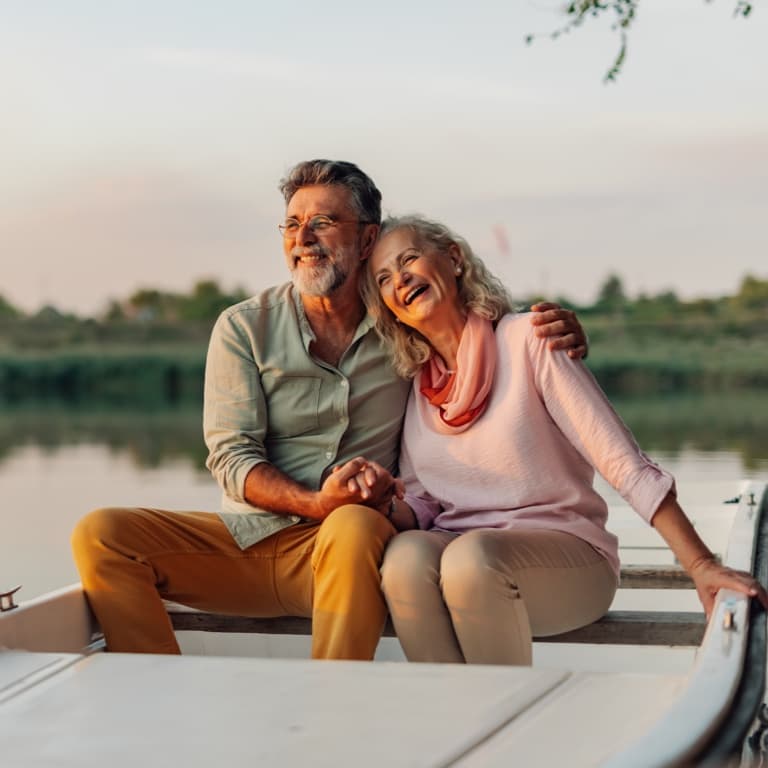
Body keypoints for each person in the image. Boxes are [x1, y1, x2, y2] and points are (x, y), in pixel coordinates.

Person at [71, 160, 588, 659]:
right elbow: (231, 458)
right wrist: (315, 502)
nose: (303, 238)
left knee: (354, 522)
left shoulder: (403, 320)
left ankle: (331, 703)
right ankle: (156, 697)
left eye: (322, 222)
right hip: (249, 543)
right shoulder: (243, 326)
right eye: (293, 225)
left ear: (367, 238)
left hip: (355, 545)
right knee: (103, 534)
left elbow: (471, 328)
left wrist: (549, 328)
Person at [360, 214, 768, 666]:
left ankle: (501, 717)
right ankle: (456, 717)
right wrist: (383, 500)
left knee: (469, 560)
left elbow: (621, 461)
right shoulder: (417, 387)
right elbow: (423, 504)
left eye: (410, 259)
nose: (400, 279)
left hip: (567, 558)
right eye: (384, 278)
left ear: (453, 259)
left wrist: (700, 565)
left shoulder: (530, 339)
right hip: (462, 552)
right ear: (388, 306)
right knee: (405, 558)